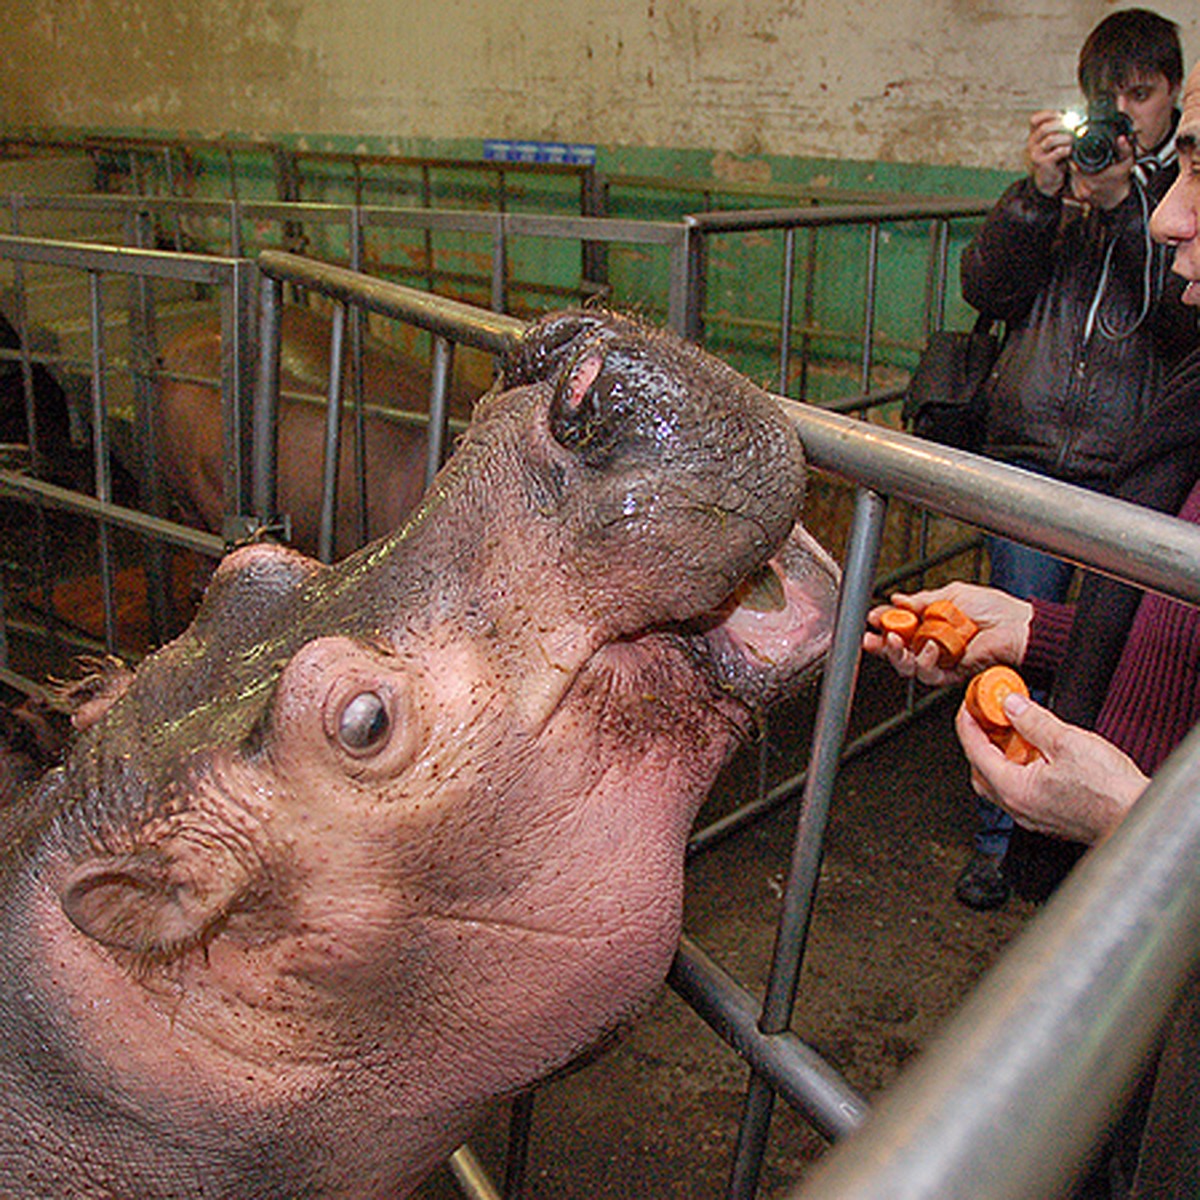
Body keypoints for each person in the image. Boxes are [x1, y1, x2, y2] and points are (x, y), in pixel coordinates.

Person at [867, 62, 1200, 1196]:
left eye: (1191, 153)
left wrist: (1133, 825)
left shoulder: (1153, 241)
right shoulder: (1073, 213)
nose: (1175, 209)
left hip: (1110, 485)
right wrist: (1030, 636)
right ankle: (1008, 846)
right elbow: (1174, 635)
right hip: (1036, 468)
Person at [953, 8, 1195, 909]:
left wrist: (1130, 208)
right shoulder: (1061, 194)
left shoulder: (1168, 208)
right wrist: (1037, 197)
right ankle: (999, 837)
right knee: (1013, 652)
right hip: (1029, 457)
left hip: (1126, 475)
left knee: (1108, 662)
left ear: (1170, 95)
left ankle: (1098, 851)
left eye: (1140, 95)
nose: (1120, 115)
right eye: (1108, 98)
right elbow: (985, 285)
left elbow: (1176, 326)